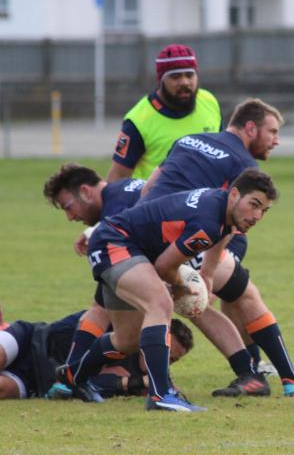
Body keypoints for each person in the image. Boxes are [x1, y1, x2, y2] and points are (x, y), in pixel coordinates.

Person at [142, 98, 294, 397]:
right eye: (273, 132)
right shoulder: (243, 164)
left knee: (196, 303)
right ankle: (286, 379)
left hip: (144, 229)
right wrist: (209, 274)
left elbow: (149, 188)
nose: (276, 141)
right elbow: (228, 219)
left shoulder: (189, 139)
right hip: (179, 235)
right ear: (250, 128)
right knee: (242, 292)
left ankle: (252, 374)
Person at [57, 168, 278, 412]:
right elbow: (164, 266)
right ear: (235, 194)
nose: (257, 215)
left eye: (264, 210)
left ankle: (72, 375)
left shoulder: (221, 206)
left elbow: (224, 234)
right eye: (254, 204)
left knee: (128, 340)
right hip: (116, 242)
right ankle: (161, 394)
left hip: (124, 245)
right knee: (160, 303)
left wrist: (207, 274)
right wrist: (182, 286)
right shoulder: (207, 222)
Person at [0, 309, 193, 400]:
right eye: (163, 351)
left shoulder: (150, 376)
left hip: (36, 380)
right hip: (31, 340)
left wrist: (138, 383)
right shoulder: (121, 329)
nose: (163, 360)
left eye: (172, 360)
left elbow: (94, 385)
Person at [106, 44, 222, 182]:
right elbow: (118, 176)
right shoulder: (138, 121)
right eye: (175, 76)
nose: (185, 82)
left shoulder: (209, 101)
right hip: (157, 201)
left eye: (190, 75)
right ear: (161, 80)